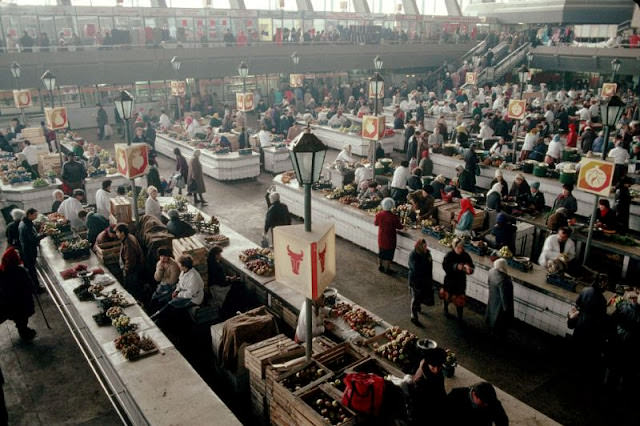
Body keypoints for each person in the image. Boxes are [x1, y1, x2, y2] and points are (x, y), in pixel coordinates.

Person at [572, 275, 607, 374]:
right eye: (605, 284)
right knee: (585, 351)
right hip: (591, 329)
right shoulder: (602, 300)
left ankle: (572, 368)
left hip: (580, 324)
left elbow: (577, 303)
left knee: (576, 347)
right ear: (601, 284)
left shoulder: (585, 290)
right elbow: (602, 318)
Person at [0, 246, 36, 341]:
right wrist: (33, 288)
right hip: (21, 300)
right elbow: (29, 284)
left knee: (19, 317)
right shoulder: (20, 271)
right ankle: (24, 333)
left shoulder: (3, 271)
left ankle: (23, 330)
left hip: (11, 302)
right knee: (22, 318)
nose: (19, 255)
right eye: (17, 255)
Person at [406, 347, 447, 425]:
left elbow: (441, 391)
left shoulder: (438, 373)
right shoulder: (421, 377)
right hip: (422, 410)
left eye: (439, 367)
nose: (436, 370)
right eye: (433, 367)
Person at [441, 238, 474, 320]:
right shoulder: (449, 255)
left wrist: (469, 269)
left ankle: (460, 316)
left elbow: (471, 266)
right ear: (454, 247)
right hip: (450, 280)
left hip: (460, 282)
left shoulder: (465, 256)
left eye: (462, 247)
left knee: (460, 299)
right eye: (458, 247)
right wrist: (455, 266)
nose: (460, 249)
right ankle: (445, 308)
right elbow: (445, 266)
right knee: (447, 296)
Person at [115, 223, 145, 302]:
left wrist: (126, 271)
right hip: (134, 269)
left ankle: (136, 302)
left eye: (117, 232)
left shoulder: (128, 243)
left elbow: (130, 260)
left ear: (122, 233)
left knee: (132, 289)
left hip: (132, 270)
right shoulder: (128, 237)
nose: (116, 234)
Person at [408, 238, 433, 326]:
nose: (426, 248)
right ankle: (413, 316)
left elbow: (429, 267)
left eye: (426, 246)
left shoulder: (427, 254)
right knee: (415, 298)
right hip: (415, 281)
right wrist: (426, 262)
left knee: (419, 296)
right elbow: (416, 268)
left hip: (424, 280)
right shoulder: (413, 255)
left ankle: (418, 308)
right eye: (424, 246)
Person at [374, 198, 403, 275]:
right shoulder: (394, 217)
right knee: (388, 256)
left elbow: (376, 223)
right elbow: (400, 227)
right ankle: (387, 269)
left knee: (381, 253)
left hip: (381, 237)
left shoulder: (379, 214)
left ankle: (380, 266)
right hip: (390, 238)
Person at [18, 208, 44, 293]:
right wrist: (44, 234)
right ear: (29, 214)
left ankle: (35, 287)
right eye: (35, 215)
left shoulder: (24, 222)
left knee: (31, 269)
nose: (36, 217)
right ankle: (37, 289)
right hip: (29, 251)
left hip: (26, 250)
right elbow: (33, 239)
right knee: (32, 270)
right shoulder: (26, 226)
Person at [486, 258, 514, 335]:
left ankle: (490, 329)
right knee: (498, 320)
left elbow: (488, 283)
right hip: (500, 305)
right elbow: (505, 298)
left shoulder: (491, 272)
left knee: (491, 314)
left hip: (492, 298)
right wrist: (507, 310)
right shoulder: (504, 280)